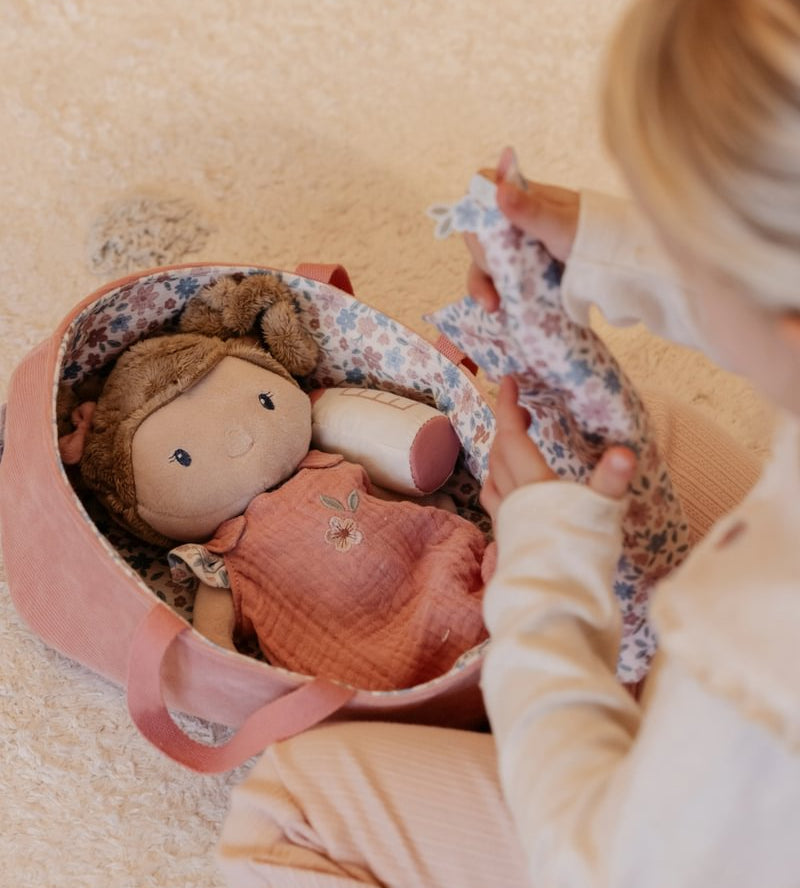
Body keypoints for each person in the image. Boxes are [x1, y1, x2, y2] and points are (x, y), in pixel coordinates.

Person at [216, 0, 799, 884]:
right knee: (636, 439)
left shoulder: (753, 659)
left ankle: (620, 670)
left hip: (651, 843)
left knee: (289, 811)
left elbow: (595, 857)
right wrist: (602, 245)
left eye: (681, 235)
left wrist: (545, 580)